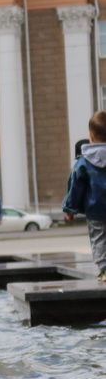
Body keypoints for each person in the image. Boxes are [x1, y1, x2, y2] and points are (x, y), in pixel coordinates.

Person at [63, 110, 106, 282]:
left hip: (95, 209)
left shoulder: (83, 162)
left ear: (90, 135)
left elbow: (75, 187)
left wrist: (70, 208)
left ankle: (104, 269)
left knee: (99, 238)